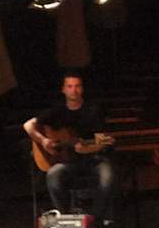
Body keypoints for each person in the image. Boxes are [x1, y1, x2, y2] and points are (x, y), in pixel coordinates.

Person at [24, 71, 116, 218]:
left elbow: (104, 141)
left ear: (82, 89)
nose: (74, 90)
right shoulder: (57, 110)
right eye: (70, 86)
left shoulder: (93, 110)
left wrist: (88, 148)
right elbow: (28, 125)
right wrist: (44, 141)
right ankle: (66, 217)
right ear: (64, 89)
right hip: (68, 161)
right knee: (53, 175)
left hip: (94, 159)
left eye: (77, 86)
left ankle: (97, 218)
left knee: (107, 178)